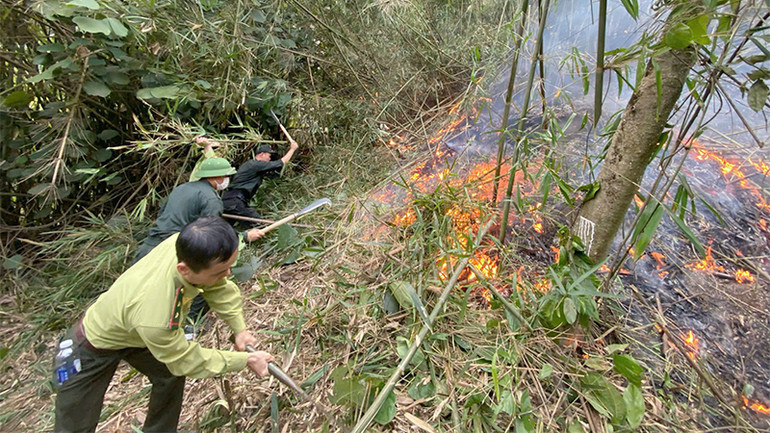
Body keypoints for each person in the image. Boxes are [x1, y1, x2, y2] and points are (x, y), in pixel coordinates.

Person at [53, 216, 275, 433]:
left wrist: (240, 329)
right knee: (74, 426)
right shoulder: (157, 315)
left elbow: (217, 286)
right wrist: (246, 360)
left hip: (135, 332)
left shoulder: (187, 246)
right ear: (184, 270)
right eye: (220, 271)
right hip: (91, 346)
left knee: (169, 374)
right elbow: (185, 359)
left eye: (229, 267)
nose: (227, 274)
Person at [133, 156, 237, 261]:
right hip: (172, 251)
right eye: (226, 175)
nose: (227, 179)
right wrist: (243, 236)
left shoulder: (182, 188)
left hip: (150, 245)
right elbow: (210, 233)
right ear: (216, 176)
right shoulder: (211, 199)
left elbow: (161, 214)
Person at [219, 137, 299, 227]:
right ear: (261, 154)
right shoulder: (255, 164)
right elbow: (280, 163)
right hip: (235, 201)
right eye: (269, 156)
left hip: (230, 201)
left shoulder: (251, 166)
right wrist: (292, 149)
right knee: (258, 224)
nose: (269, 159)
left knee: (226, 229)